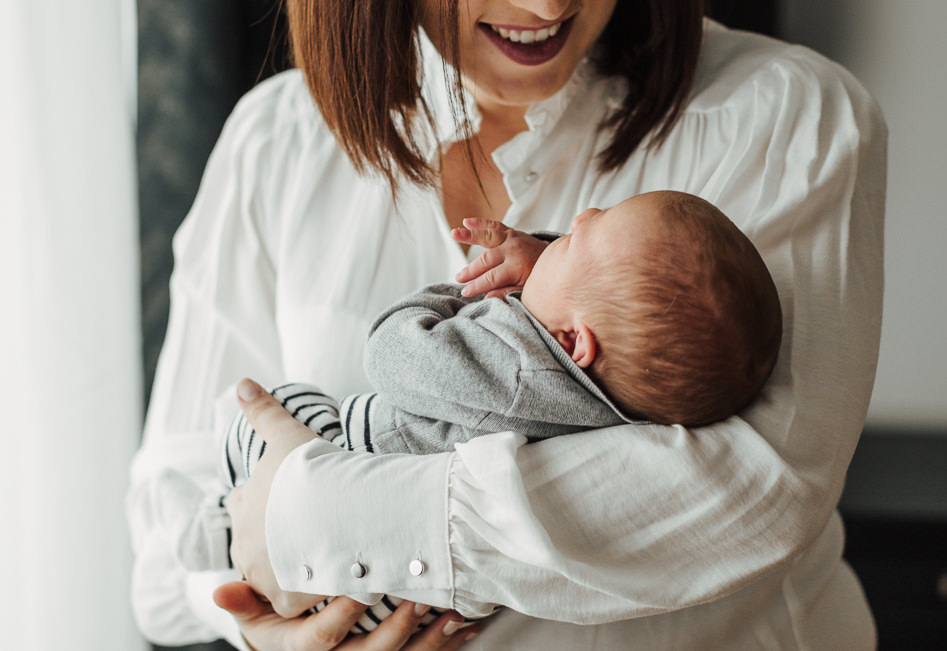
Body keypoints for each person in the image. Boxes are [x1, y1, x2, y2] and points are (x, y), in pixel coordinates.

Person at [127, 1, 887, 649]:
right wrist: (264, 622)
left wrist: (311, 515)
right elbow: (163, 567)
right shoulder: (275, 143)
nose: (550, 4)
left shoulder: (789, 116)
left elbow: (747, 492)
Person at [165, 191, 782, 612]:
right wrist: (549, 275)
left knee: (283, 404)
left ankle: (217, 527)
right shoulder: (609, 404)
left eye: (568, 242)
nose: (582, 212)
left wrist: (461, 294)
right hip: (393, 588)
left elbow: (390, 355)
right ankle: (220, 530)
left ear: (572, 341)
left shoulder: (515, 367)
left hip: (349, 458)